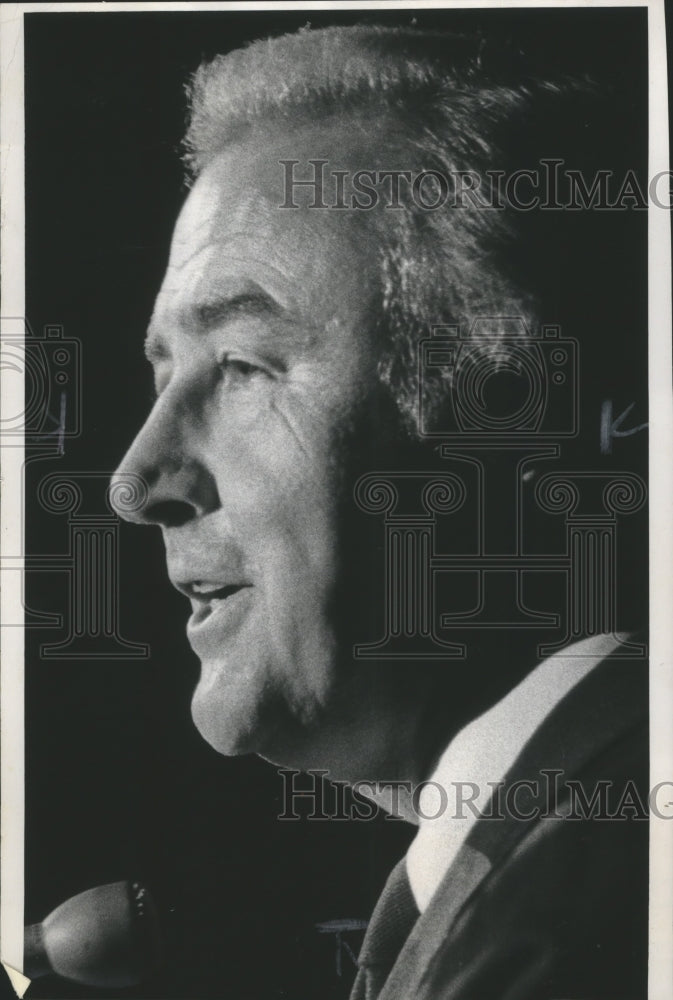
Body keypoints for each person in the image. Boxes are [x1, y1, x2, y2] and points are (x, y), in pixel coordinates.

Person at [111, 25, 648, 999]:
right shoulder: (525, 871)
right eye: (160, 372)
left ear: (508, 415)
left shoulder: (564, 937)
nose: (138, 483)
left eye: (237, 366)